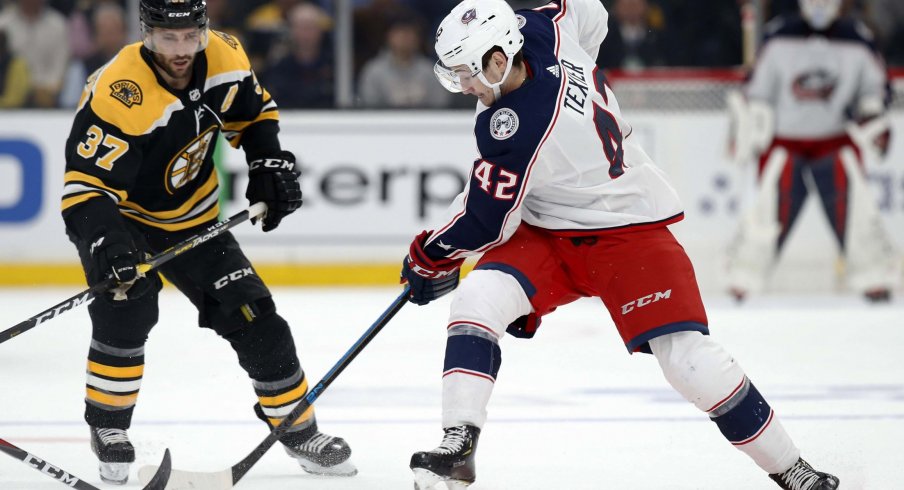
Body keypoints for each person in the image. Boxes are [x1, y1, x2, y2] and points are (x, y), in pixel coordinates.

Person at [399, 1, 839, 489]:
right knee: (477, 300)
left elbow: (485, 224)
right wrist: (580, 66)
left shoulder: (513, 126)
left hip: (626, 227)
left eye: (467, 73)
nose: (465, 87)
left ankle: (792, 468)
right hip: (550, 230)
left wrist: (427, 255)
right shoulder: (540, 26)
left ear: (498, 59)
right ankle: (458, 445)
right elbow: (591, 14)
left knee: (688, 359)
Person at [61, 0, 355, 484]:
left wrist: (266, 162)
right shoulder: (120, 92)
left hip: (194, 218)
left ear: (204, 29)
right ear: (146, 34)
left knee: (257, 316)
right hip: (119, 219)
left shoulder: (225, 56)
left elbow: (255, 114)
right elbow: (84, 191)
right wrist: (106, 243)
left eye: (190, 36)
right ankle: (109, 429)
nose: (181, 50)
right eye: (167, 38)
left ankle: (297, 429)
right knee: (128, 307)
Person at [725, 0, 897, 302]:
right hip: (784, 140)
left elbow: (876, 86)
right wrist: (748, 127)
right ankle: (744, 277)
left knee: (856, 207)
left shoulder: (857, 38)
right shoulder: (779, 35)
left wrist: (871, 111)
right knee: (766, 208)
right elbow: (756, 90)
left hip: (836, 138)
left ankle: (873, 277)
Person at [357, 13, 451, 108]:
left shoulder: (430, 70)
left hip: (423, 122)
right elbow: (369, 109)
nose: (405, 37)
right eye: (400, 32)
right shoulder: (374, 71)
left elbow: (440, 106)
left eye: (410, 32)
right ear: (389, 36)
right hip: (385, 122)